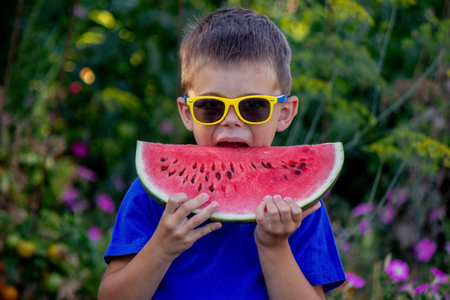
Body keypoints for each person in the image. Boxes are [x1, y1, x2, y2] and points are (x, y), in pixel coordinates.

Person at [98, 8, 346, 300]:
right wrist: (162, 247)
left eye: (253, 106)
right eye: (210, 106)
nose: (231, 119)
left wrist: (275, 246)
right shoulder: (149, 197)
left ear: (284, 113)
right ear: (187, 113)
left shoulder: (299, 209)